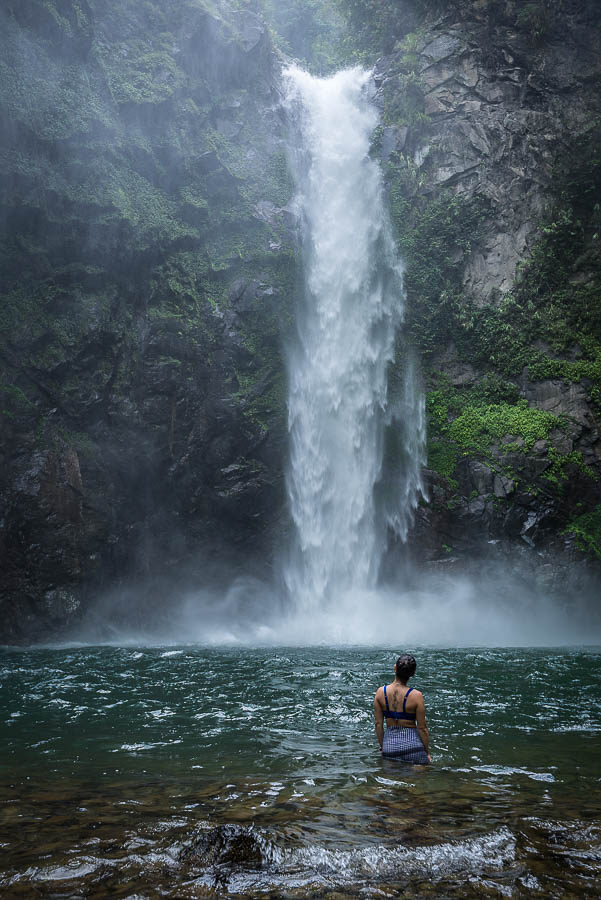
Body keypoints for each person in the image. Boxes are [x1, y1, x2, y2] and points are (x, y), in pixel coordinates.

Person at [373, 653, 431, 764]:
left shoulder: (381, 692)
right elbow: (422, 728)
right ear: (413, 673)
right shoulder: (416, 695)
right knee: (419, 778)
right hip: (413, 748)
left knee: (391, 778)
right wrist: (427, 753)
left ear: (395, 668)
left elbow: (378, 724)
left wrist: (383, 746)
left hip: (389, 748)